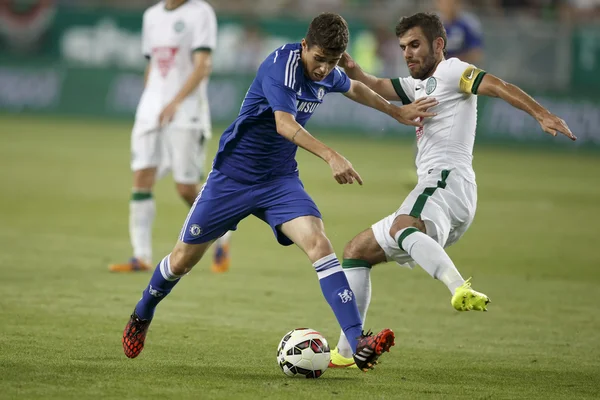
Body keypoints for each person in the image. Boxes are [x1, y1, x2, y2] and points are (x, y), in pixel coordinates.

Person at [120, 12, 438, 371]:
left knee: (320, 244)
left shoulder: (326, 70)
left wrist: (396, 113)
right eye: (319, 60)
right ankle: (142, 313)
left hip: (279, 182)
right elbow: (284, 124)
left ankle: (358, 339)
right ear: (305, 46)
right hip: (233, 178)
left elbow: (354, 88)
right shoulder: (281, 67)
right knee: (181, 261)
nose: (323, 70)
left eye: (331, 62)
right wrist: (331, 155)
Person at [329, 12, 576, 368]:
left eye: (415, 45)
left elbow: (497, 85)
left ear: (438, 45)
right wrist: (353, 69)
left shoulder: (451, 71)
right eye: (403, 47)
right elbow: (377, 84)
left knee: (402, 226)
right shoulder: (419, 83)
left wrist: (541, 114)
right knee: (356, 251)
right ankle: (347, 352)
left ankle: (458, 286)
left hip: (446, 181)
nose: (408, 53)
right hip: (445, 193)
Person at [109, 0, 232, 275]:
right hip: (151, 109)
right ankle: (140, 256)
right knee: (141, 176)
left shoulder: (200, 12)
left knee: (186, 188)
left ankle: (222, 235)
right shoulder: (151, 15)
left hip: (186, 110)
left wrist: (175, 101)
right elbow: (153, 64)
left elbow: (203, 66)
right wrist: (151, 99)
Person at [435, 0, 484, 65]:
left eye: (452, 3)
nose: (449, 6)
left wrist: (454, 62)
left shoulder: (469, 24)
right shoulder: (431, 24)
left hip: (462, 69)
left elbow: (476, 53)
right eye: (445, 3)